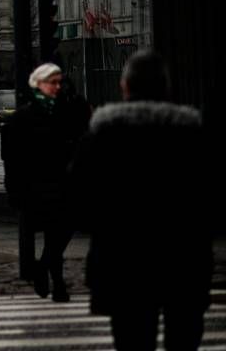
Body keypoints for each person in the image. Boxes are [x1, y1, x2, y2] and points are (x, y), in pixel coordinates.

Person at [71, 50, 207, 351]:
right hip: (183, 257)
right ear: (166, 88)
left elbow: (77, 196)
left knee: (132, 339)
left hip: (123, 258)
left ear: (125, 87)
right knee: (184, 338)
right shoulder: (192, 134)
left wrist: (105, 228)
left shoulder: (102, 135)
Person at [4, 62, 88, 301]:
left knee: (59, 235)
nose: (57, 87)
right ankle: (57, 282)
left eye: (59, 82)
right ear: (38, 85)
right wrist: (15, 189)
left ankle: (44, 270)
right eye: (52, 82)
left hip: (63, 185)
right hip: (36, 187)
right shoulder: (23, 117)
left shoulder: (67, 111)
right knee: (53, 235)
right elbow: (13, 158)